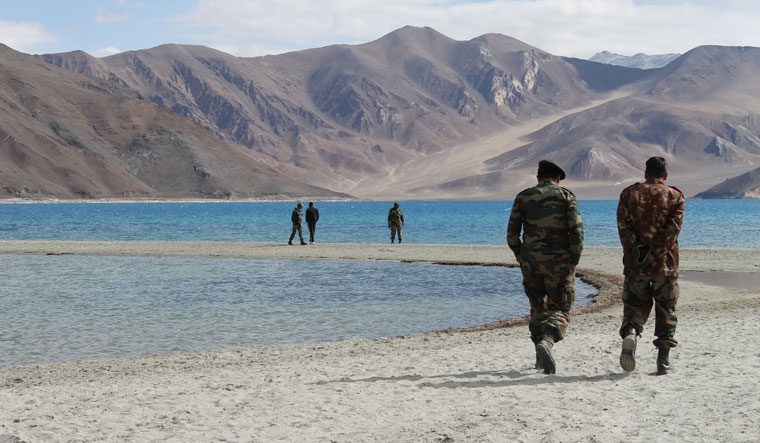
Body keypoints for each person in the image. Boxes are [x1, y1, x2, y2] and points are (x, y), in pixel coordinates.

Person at [507, 160, 584, 374]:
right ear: (557, 178)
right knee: (560, 307)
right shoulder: (566, 196)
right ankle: (547, 342)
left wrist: (521, 256)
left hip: (531, 261)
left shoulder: (523, 197)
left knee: (537, 307)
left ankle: (539, 357)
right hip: (559, 262)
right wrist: (574, 260)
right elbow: (576, 233)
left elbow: (512, 234)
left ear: (538, 177)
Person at [617, 156, 684, 375]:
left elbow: (623, 227)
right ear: (665, 176)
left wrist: (639, 250)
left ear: (645, 173)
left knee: (634, 304)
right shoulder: (675, 196)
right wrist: (656, 253)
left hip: (636, 264)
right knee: (666, 309)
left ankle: (631, 334)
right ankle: (663, 362)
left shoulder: (629, 194)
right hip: (666, 264)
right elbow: (673, 230)